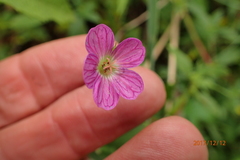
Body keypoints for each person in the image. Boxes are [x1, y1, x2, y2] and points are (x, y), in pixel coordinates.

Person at [0, 35, 208, 160]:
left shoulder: (112, 69)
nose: (107, 65)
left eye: (108, 65)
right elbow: (93, 69)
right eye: (106, 64)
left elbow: (130, 86)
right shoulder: (97, 62)